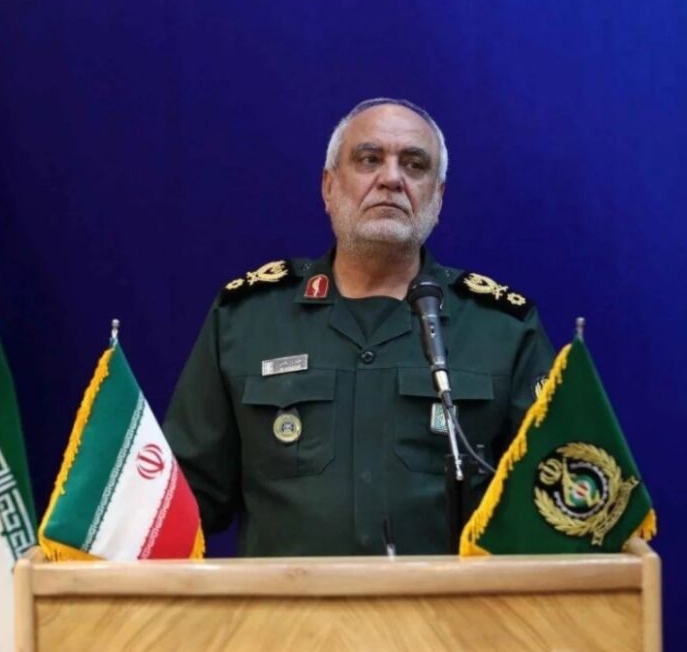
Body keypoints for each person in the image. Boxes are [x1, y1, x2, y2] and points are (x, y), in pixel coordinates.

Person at [163, 98, 554, 556]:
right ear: (329, 187)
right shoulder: (247, 319)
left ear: (438, 196)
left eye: (414, 165)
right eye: (369, 159)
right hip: (288, 602)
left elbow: (553, 501)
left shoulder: (502, 328)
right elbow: (181, 502)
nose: (391, 178)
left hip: (443, 603)